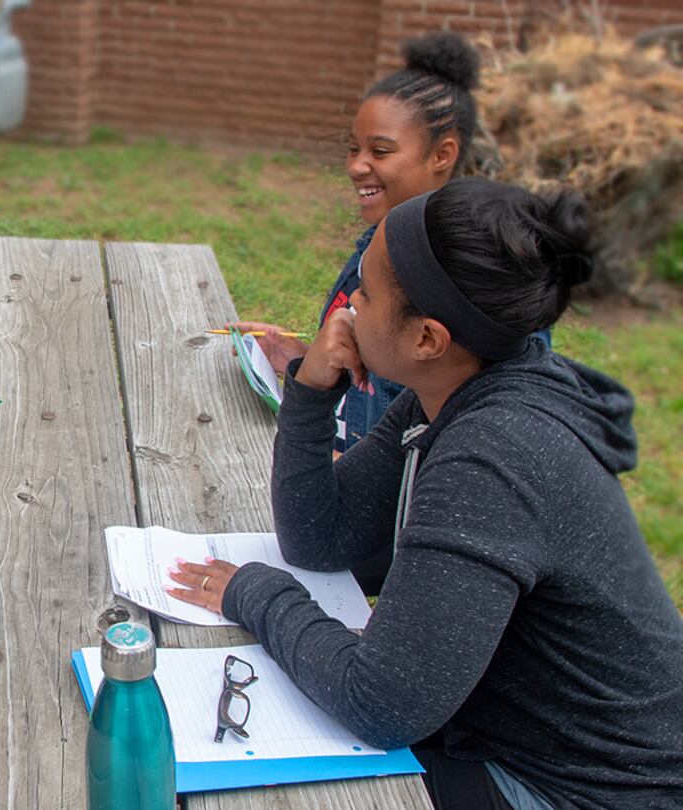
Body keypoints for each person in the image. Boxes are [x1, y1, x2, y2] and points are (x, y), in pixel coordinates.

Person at [167, 179, 683, 809]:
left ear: (427, 339)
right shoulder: (452, 391)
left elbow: (380, 705)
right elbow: (320, 539)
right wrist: (311, 392)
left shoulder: (493, 456)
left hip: (588, 790)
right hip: (507, 736)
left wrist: (257, 593)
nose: (349, 303)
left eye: (366, 290)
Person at [237, 32, 483, 455]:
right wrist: (304, 361)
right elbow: (369, 377)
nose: (355, 166)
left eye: (380, 151)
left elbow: (439, 439)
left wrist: (339, 466)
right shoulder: (378, 245)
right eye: (353, 149)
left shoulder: (456, 281)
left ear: (442, 155)